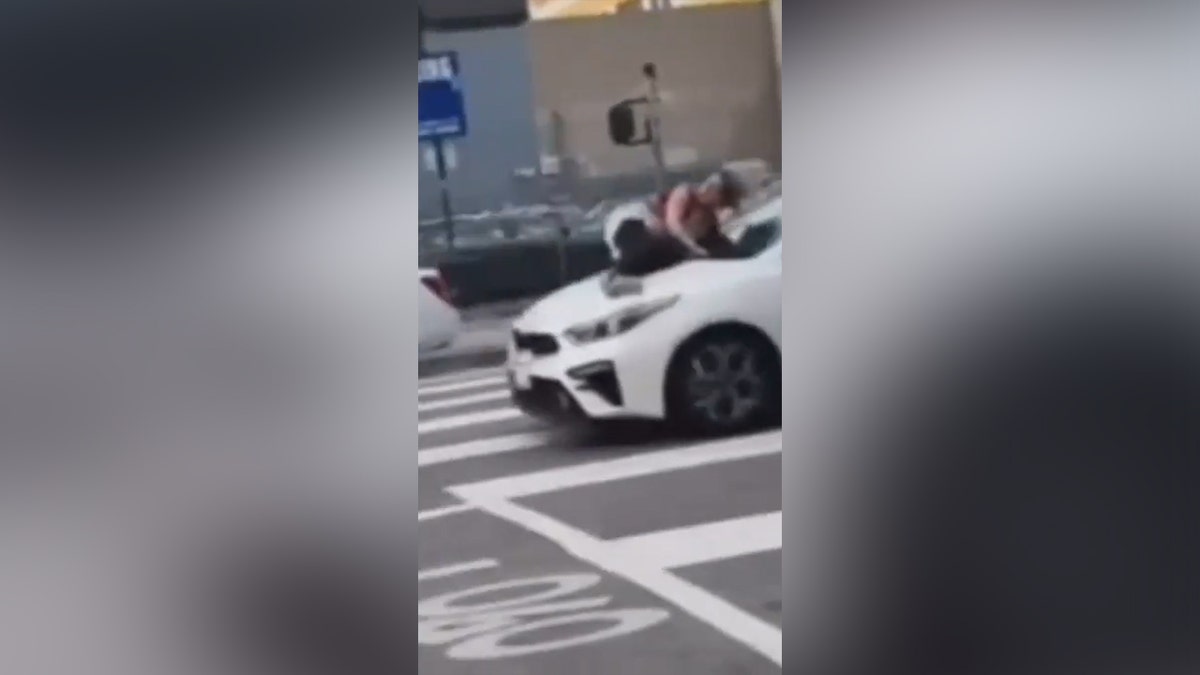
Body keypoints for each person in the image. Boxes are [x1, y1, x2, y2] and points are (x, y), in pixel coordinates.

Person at [605, 169, 748, 276]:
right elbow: (674, 225)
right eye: (723, 199)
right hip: (633, 220)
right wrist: (693, 248)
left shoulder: (708, 216)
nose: (722, 206)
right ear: (713, 191)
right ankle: (621, 273)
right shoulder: (685, 193)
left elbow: (715, 241)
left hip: (661, 238)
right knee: (645, 249)